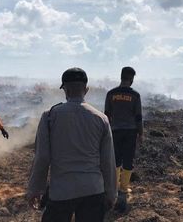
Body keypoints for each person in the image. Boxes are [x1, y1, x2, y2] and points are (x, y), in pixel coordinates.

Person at [27, 67, 116, 222]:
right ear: (86, 90)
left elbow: (42, 157)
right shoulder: (101, 119)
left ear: (65, 90)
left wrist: (35, 189)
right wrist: (111, 193)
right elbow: (108, 161)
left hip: (61, 191)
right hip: (93, 190)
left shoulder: (49, 116)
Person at [104, 66, 143, 212]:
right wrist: (141, 133)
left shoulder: (111, 94)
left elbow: (106, 115)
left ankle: (114, 187)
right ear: (131, 79)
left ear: (121, 77)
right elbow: (138, 116)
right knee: (128, 159)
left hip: (114, 131)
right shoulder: (135, 95)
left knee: (115, 159)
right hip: (130, 132)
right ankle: (124, 189)